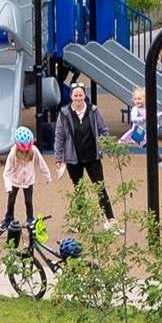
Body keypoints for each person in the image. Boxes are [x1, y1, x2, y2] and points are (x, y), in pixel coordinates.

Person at [52, 84, 114, 221]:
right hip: (73, 159)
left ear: (84, 96)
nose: (78, 98)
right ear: (71, 97)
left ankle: (110, 219)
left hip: (92, 157)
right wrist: (58, 157)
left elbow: (103, 129)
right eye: (76, 95)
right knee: (79, 190)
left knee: (100, 188)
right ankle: (82, 220)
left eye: (81, 95)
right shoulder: (64, 113)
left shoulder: (93, 110)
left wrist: (108, 149)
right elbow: (59, 135)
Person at [0, 126, 52, 237]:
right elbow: (7, 172)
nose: (26, 152)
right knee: (11, 202)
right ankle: (8, 218)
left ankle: (30, 218)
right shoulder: (13, 153)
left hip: (28, 181)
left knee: (28, 202)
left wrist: (47, 176)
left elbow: (41, 163)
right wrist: (8, 186)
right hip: (15, 181)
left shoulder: (33, 150)